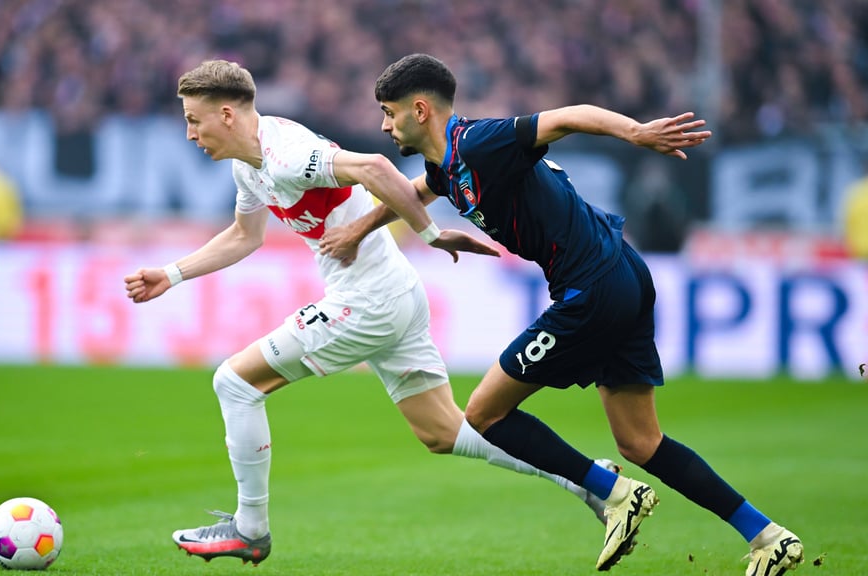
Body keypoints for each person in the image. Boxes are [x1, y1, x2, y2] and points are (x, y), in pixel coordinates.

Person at [319, 53, 804, 575]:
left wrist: (636, 132)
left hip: (591, 288)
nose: (385, 125)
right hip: (621, 272)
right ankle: (767, 536)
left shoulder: (481, 142)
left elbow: (567, 116)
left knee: (484, 415)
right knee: (641, 442)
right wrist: (358, 229)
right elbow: (412, 192)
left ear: (420, 110)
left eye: (389, 113)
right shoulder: (446, 164)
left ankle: (612, 492)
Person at [123, 59, 620, 566]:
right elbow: (245, 236)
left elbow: (377, 168)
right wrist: (173, 274)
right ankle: (592, 482)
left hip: (365, 303)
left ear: (226, 114)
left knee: (235, 382)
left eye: (194, 120)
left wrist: (429, 233)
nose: (188, 133)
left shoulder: (286, 154)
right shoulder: (249, 165)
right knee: (443, 433)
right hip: (393, 293)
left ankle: (250, 527)